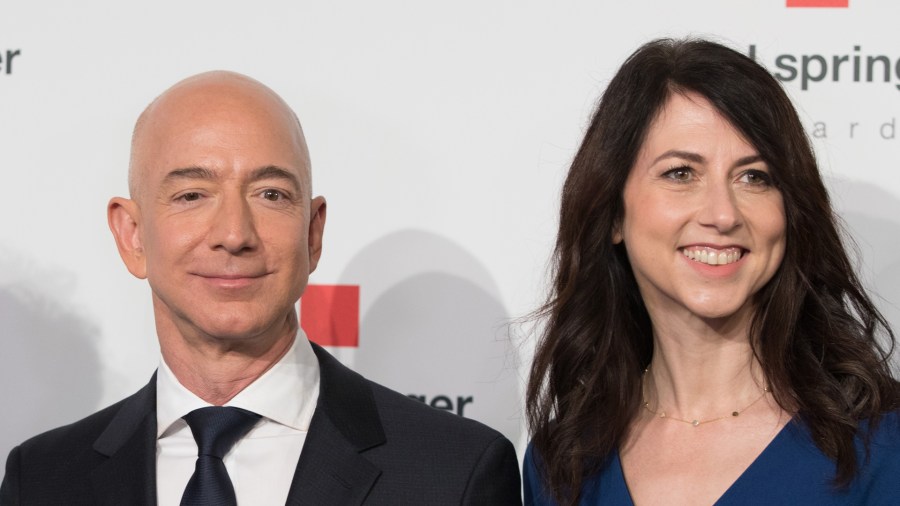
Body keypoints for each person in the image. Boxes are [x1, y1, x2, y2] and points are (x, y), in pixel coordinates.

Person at [0, 71, 521, 505]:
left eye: (271, 194)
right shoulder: (41, 478)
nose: (234, 234)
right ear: (132, 235)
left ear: (313, 233)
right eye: (191, 195)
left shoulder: (455, 472)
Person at [523, 38, 900, 505]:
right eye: (681, 173)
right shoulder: (564, 458)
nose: (723, 215)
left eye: (755, 177)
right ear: (614, 212)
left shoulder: (882, 447)